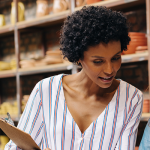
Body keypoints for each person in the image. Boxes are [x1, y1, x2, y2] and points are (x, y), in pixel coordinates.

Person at [5, 6, 143, 150]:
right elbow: (16, 147)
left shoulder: (131, 98)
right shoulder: (46, 90)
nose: (109, 70)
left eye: (115, 58)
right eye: (98, 61)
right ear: (79, 57)